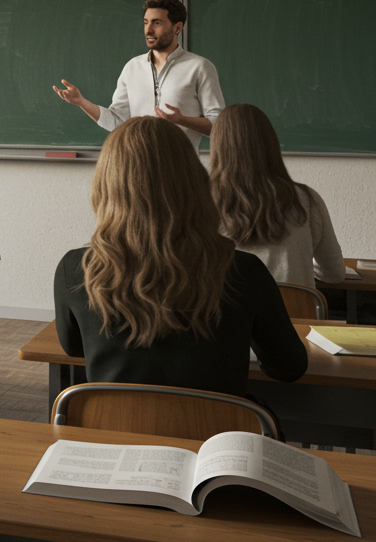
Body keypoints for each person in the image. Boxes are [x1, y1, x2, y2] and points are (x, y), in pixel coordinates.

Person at [53, 116, 307, 399]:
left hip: (113, 427)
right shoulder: (244, 272)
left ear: (105, 186)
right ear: (195, 181)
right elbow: (289, 367)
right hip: (214, 428)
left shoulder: (74, 269)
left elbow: (73, 348)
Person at [53, 0, 225, 152]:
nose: (148, 30)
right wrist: (81, 102)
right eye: (145, 22)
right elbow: (117, 121)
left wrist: (181, 120)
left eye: (156, 23)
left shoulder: (199, 67)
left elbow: (220, 125)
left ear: (177, 27)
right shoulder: (132, 67)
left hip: (181, 168)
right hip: (138, 166)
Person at [209, 103, 346, 289]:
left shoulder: (200, 201)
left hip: (227, 308)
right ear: (271, 144)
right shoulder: (307, 199)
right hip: (295, 309)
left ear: (217, 147)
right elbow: (334, 273)